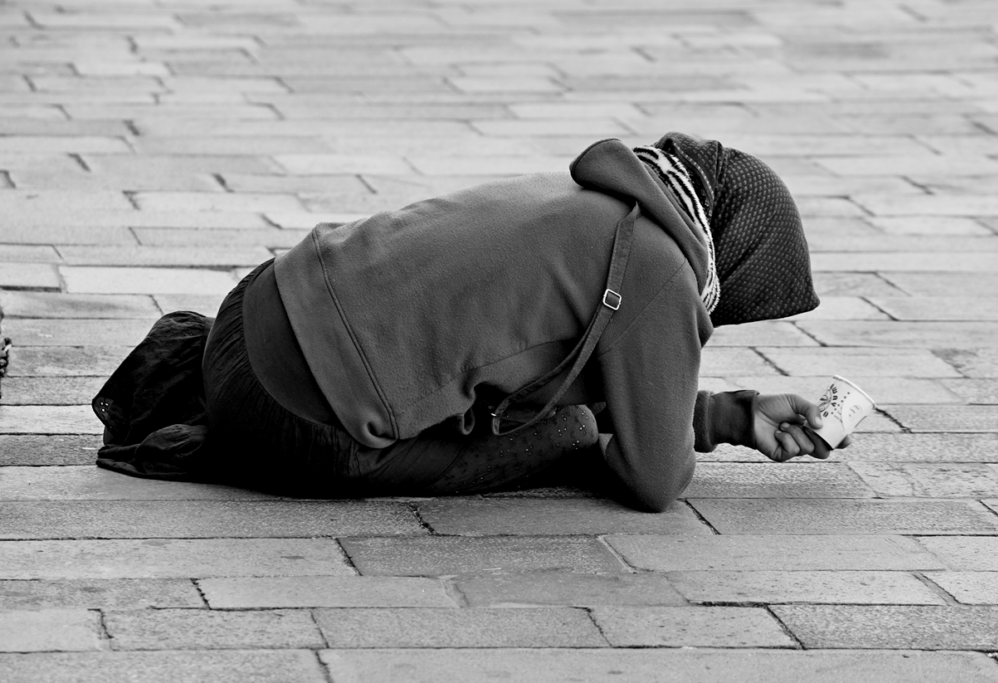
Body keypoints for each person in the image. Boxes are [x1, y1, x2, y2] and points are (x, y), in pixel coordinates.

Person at [93, 133, 850, 512]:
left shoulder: (600, 200)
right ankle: (249, 445)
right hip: (292, 410)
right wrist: (677, 431)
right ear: (734, 263)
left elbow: (551, 363)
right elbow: (654, 477)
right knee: (571, 437)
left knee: (547, 404)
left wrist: (732, 415)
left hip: (251, 318)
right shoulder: (664, 276)